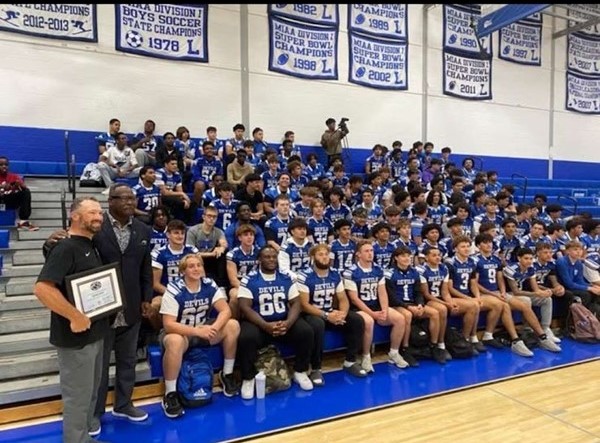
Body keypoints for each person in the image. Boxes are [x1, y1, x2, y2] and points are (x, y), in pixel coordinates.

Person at [35, 196, 110, 443]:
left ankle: (84, 438)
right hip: (75, 339)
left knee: (90, 394)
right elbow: (43, 289)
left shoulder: (90, 244)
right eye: (92, 213)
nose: (98, 217)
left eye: (100, 213)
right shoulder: (65, 247)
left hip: (95, 334)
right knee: (77, 398)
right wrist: (74, 315)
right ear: (75, 215)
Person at [159, 253, 240, 418]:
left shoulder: (209, 284)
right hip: (181, 333)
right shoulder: (174, 289)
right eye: (191, 266)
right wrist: (197, 331)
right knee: (174, 340)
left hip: (203, 331)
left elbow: (226, 310)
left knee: (232, 325)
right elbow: (168, 324)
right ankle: (170, 394)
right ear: (183, 271)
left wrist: (215, 328)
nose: (196, 269)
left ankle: (227, 374)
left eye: (199, 265)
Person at [236, 246, 315, 399]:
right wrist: (266, 326)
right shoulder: (249, 279)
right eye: (267, 257)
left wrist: (288, 322)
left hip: (283, 321)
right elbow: (245, 307)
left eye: (274, 257)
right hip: (259, 324)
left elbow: (296, 303)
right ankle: (248, 377)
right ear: (259, 260)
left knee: (306, 331)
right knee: (246, 337)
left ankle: (300, 371)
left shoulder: (286, 277)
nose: (271, 260)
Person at [299, 244, 367, 383]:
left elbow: (343, 299)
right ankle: (316, 369)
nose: (324, 257)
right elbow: (304, 305)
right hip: (313, 314)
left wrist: (342, 314)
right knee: (317, 325)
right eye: (320, 254)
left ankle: (350, 361)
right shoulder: (304, 275)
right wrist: (326, 315)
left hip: (331, 312)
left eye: (326, 254)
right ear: (313, 258)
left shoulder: (335, 273)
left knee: (356, 320)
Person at [343, 240, 411, 373]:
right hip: (358, 308)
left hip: (375, 305)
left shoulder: (378, 270)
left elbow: (382, 292)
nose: (370, 254)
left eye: (371, 251)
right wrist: (372, 314)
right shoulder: (350, 272)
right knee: (368, 322)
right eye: (366, 251)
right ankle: (366, 357)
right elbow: (354, 299)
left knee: (400, 318)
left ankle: (394, 353)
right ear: (358, 254)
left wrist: (384, 310)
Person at [385, 246, 441, 367]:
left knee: (435, 313)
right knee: (407, 315)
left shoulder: (414, 272)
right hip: (397, 305)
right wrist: (408, 307)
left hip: (413, 303)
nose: (407, 258)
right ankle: (405, 349)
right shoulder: (389, 274)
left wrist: (420, 304)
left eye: (408, 256)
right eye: (403, 256)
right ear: (396, 258)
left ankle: (434, 345)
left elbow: (418, 292)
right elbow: (391, 297)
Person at [503, 247, 562, 352]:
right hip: (508, 294)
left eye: (531, 258)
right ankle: (532, 331)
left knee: (547, 299)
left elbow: (535, 288)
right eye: (526, 258)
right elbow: (516, 291)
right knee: (526, 300)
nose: (529, 261)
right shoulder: (511, 269)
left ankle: (545, 328)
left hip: (521, 293)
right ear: (519, 258)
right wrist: (536, 293)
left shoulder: (531, 268)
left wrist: (544, 292)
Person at [226, 224, 260, 318]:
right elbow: (233, 280)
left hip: (256, 283)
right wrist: (247, 289)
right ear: (240, 238)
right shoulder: (232, 254)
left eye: (251, 234)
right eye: (246, 235)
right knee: (234, 296)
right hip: (238, 285)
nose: (249, 237)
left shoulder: (260, 252)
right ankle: (235, 322)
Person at [0, 155, 38, 230]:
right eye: (1, 165)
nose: (4, 167)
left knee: (26, 192)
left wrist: (20, 184)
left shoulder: (14, 176)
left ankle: (23, 222)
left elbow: (24, 187)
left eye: (6, 165)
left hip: (9, 201)